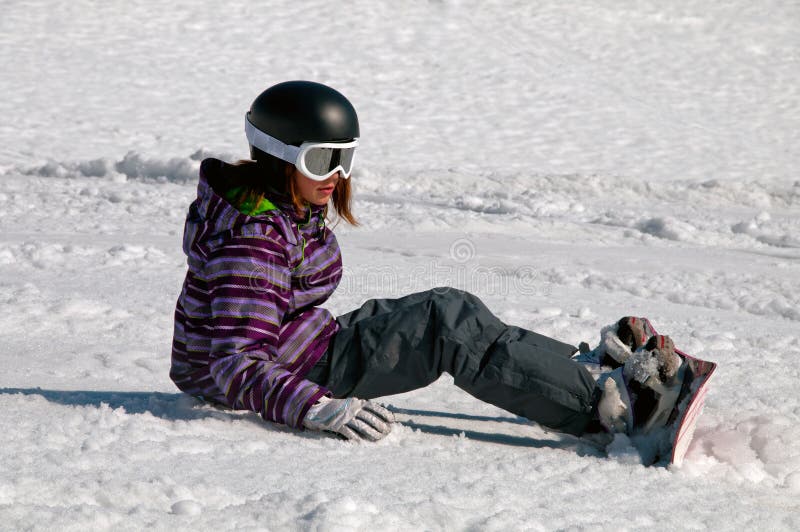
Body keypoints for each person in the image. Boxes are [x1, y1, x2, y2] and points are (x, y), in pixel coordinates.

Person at [170, 81, 681, 445]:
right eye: (322, 160)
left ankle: (576, 371)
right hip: (290, 373)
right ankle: (602, 408)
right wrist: (314, 407)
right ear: (279, 156)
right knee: (447, 329)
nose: (337, 176)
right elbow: (234, 362)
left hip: (305, 345)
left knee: (448, 308)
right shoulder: (253, 243)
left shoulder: (283, 207)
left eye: (345, 159)